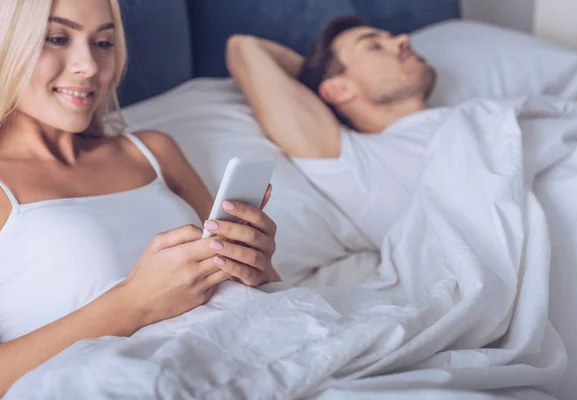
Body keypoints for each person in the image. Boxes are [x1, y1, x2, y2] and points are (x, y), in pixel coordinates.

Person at [0, 0, 280, 394]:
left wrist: (257, 266)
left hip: (263, 354)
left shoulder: (151, 152)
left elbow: (266, 293)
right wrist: (135, 303)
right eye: (57, 38)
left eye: (103, 43)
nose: (90, 67)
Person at [227, 16, 449, 246]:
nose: (404, 39)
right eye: (374, 45)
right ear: (338, 90)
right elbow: (243, 47)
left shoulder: (475, 113)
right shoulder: (355, 160)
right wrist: (319, 75)